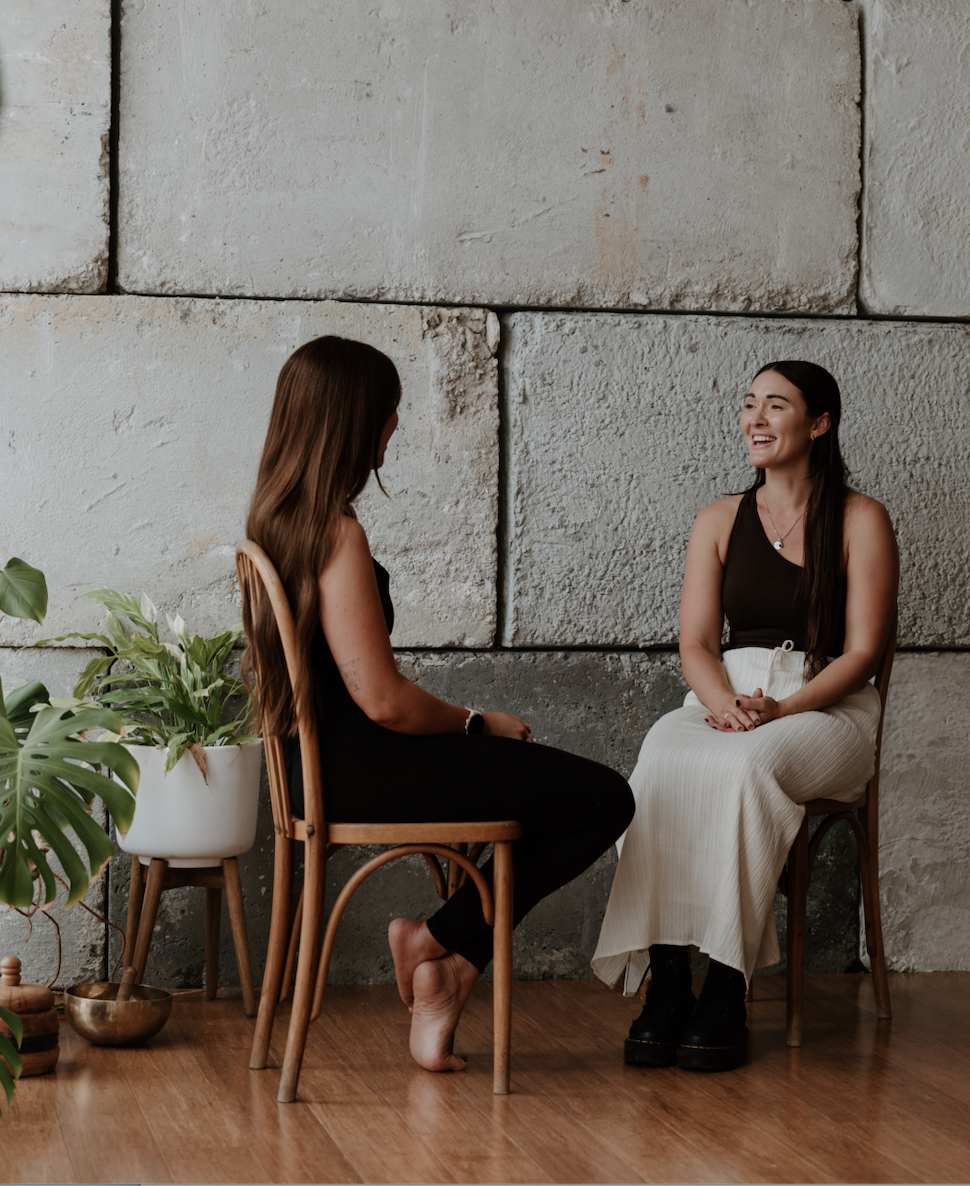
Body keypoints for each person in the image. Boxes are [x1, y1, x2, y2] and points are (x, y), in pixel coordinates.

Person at [243, 335, 634, 1075]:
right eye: (390, 410)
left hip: (311, 768)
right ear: (354, 420)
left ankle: (446, 967)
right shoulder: (337, 533)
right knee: (603, 797)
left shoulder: (275, 523)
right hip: (361, 771)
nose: (396, 425)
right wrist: (476, 723)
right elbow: (383, 701)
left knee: (541, 786)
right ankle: (434, 946)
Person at [592, 360, 898, 1072]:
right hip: (726, 695)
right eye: (749, 405)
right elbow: (696, 643)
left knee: (749, 766)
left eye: (777, 406)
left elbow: (862, 654)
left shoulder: (860, 519)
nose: (754, 420)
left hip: (826, 706)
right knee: (660, 762)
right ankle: (668, 981)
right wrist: (725, 703)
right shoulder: (718, 518)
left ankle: (727, 983)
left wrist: (783, 708)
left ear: (819, 424)